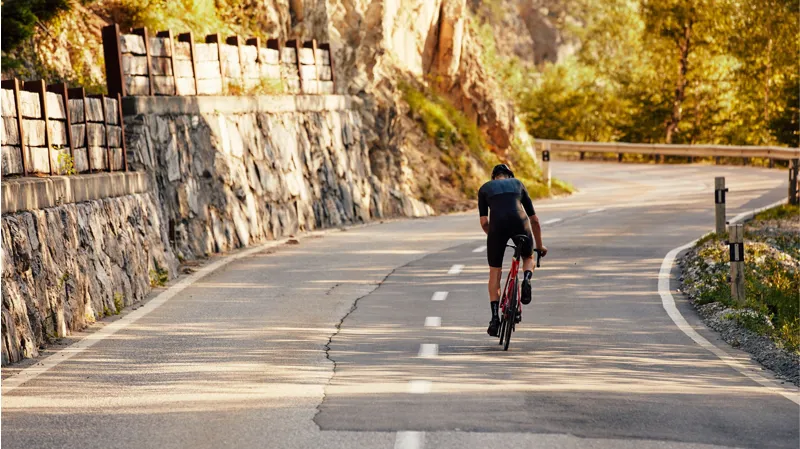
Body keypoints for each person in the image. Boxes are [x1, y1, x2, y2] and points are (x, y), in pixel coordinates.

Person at [478, 164, 547, 337]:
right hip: (520, 223)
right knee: (527, 257)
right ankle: (527, 280)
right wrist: (539, 246)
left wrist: (494, 237)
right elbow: (535, 220)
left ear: (494, 177)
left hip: (497, 227)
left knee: (495, 272)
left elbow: (484, 222)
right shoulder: (518, 184)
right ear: (510, 176)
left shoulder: (485, 188)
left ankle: (495, 318)